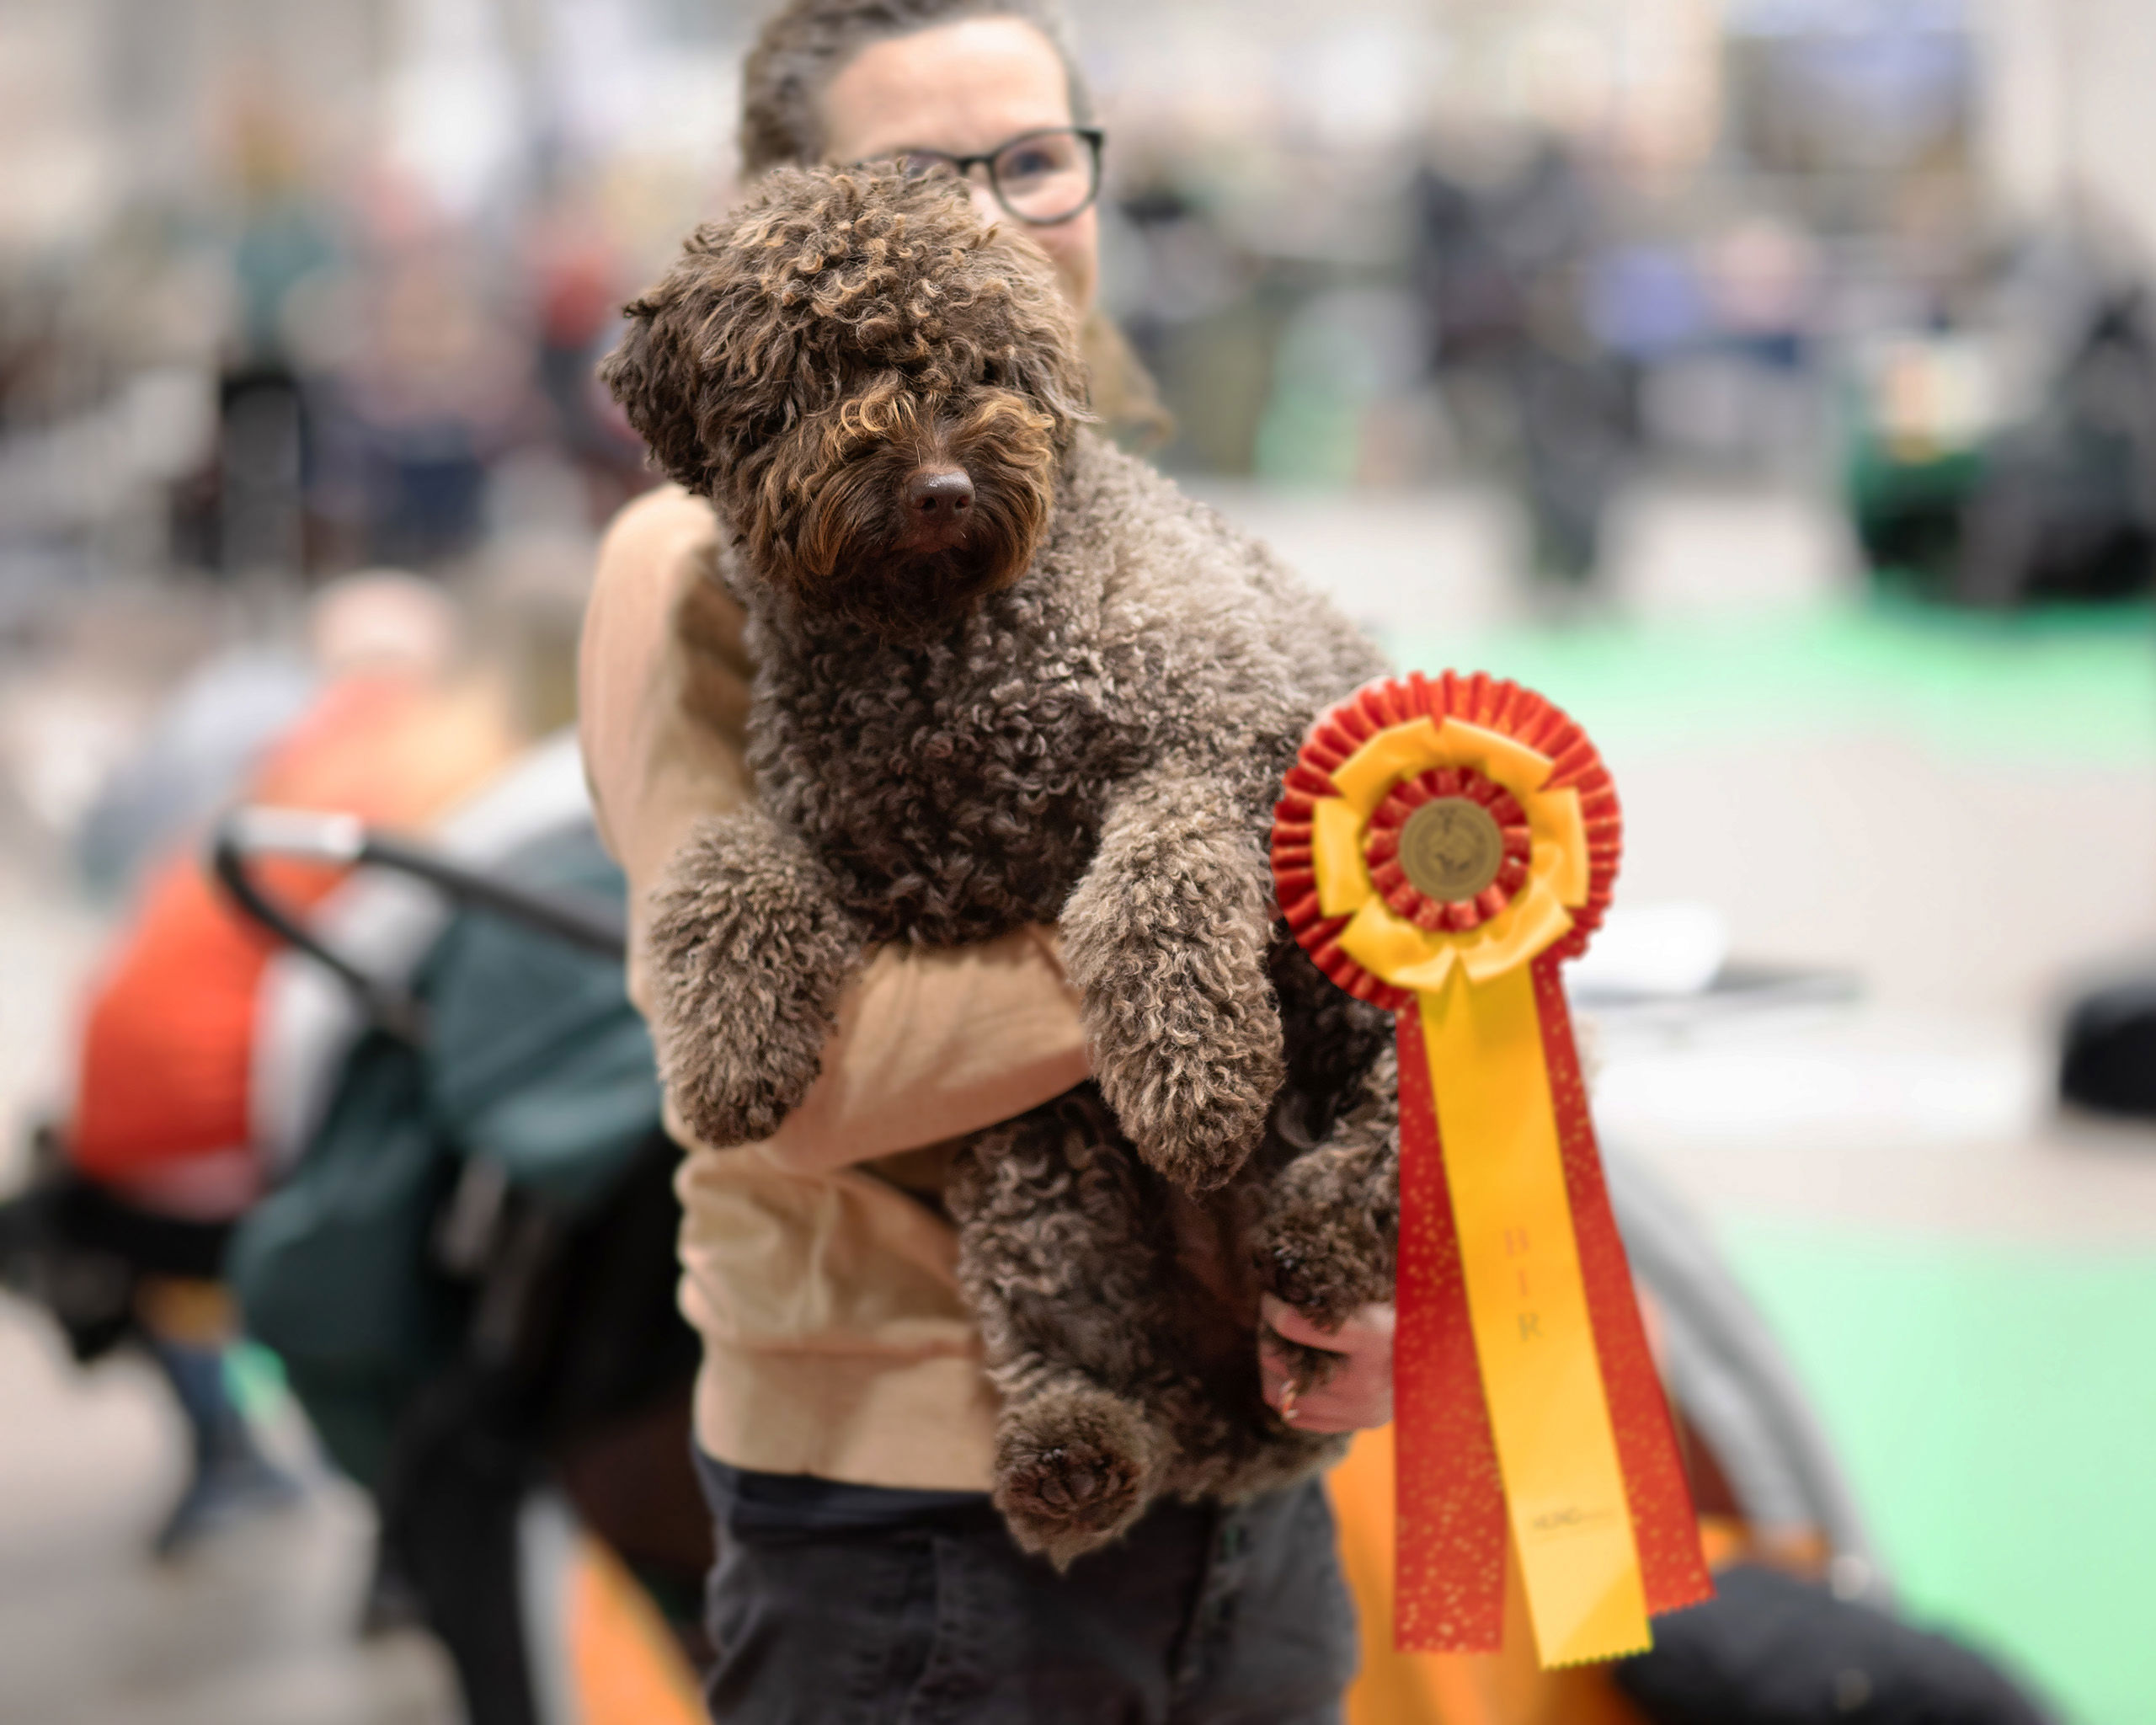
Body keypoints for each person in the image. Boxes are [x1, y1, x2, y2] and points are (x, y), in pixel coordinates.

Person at [577, 3, 1390, 1718]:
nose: (990, 218)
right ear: (780, 216)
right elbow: (796, 1082)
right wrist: (1225, 894)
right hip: (917, 1516)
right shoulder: (700, 565)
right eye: (911, 175)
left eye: (1031, 161)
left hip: (1249, 1494)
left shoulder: (1102, 498)